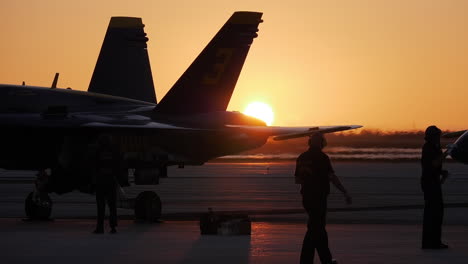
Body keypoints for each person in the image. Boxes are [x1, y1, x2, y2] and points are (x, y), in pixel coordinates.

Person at [295, 133, 352, 264]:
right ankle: (306, 261)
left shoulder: (302, 157)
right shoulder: (322, 157)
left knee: (318, 228)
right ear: (321, 142)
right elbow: (331, 176)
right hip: (319, 197)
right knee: (315, 229)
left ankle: (325, 259)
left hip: (306, 197)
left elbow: (297, 180)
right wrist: (345, 192)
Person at [421, 125, 449, 249]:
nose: (439, 138)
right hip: (429, 183)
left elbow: (436, 166)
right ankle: (430, 242)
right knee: (433, 213)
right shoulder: (428, 148)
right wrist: (448, 152)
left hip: (433, 181)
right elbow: (434, 163)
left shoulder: (435, 147)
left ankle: (434, 241)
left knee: (437, 213)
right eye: (437, 136)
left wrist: (442, 173)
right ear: (432, 137)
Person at [92, 135, 121, 234]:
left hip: (101, 181)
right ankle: (113, 227)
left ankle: (100, 228)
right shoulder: (114, 151)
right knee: (112, 206)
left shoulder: (98, 151)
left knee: (101, 206)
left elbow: (94, 165)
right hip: (111, 181)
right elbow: (118, 164)